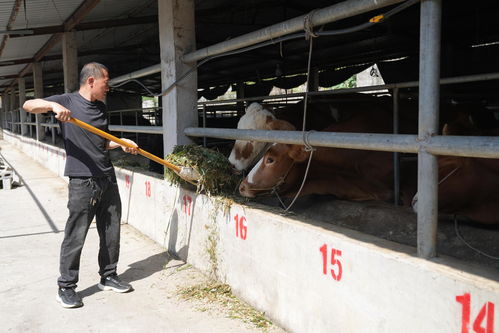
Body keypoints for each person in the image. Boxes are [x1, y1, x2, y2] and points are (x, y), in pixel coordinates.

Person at [23, 62, 138, 308]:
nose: (108, 87)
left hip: (106, 176)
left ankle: (108, 276)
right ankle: (66, 286)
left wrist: (121, 142)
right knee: (76, 234)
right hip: (82, 180)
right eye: (106, 82)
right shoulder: (67, 102)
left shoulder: (101, 108)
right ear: (91, 81)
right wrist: (53, 106)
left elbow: (101, 143)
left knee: (111, 230)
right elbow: (28, 105)